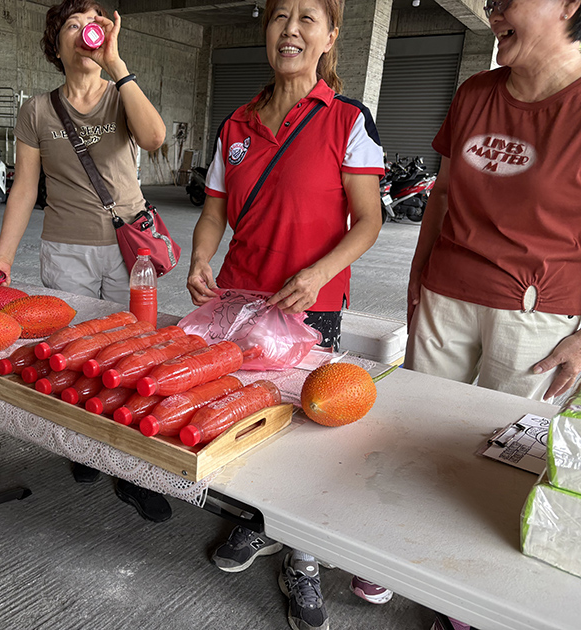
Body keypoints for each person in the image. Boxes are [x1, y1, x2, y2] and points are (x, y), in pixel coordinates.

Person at [186, 1, 384, 628]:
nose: (290, 29)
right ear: (265, 30)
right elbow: (214, 212)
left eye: (307, 18)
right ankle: (257, 519)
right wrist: (200, 258)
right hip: (238, 303)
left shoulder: (347, 118)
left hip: (309, 307)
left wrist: (319, 274)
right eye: (278, 17)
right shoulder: (235, 125)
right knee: (242, 415)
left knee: (305, 432)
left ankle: (303, 556)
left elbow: (369, 220)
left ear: (329, 36)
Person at [406, 1, 581, 628]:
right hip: (447, 292)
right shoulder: (475, 92)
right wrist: (418, 276)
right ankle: (403, 550)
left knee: (506, 454)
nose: (492, 7)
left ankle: (465, 587)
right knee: (412, 431)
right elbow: (443, 195)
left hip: (537, 314)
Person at [0, 0, 172, 522]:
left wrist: (118, 64)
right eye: (73, 24)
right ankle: (86, 447)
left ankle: (131, 469)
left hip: (129, 250)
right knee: (73, 355)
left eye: (94, 23)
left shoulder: (120, 94)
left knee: (133, 356)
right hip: (66, 252)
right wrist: (2, 258)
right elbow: (25, 187)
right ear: (56, 45)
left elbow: (155, 139)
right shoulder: (37, 111)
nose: (85, 31)